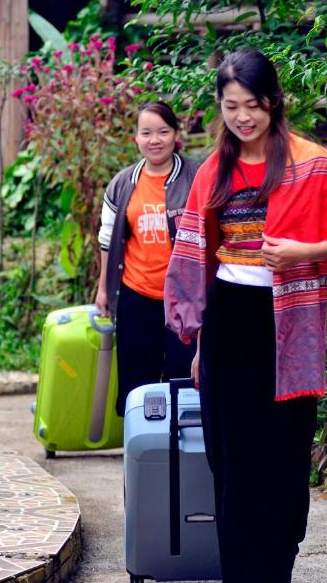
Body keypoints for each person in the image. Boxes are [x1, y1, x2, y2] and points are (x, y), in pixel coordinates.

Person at [164, 48, 327, 583]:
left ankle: (276, 570)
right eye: (231, 106)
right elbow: (201, 261)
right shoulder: (214, 170)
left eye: (252, 105)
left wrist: (304, 252)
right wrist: (202, 345)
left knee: (281, 457)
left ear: (274, 103)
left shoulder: (313, 162)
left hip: (286, 326)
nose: (242, 117)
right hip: (230, 323)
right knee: (229, 461)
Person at [96, 100, 200, 416]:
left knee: (184, 378)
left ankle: (181, 454)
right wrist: (103, 289)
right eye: (147, 133)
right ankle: (139, 451)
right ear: (136, 139)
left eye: (163, 132)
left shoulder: (196, 176)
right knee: (136, 380)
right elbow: (106, 238)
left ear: (176, 134)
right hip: (137, 297)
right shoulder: (122, 183)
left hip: (183, 301)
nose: (155, 140)